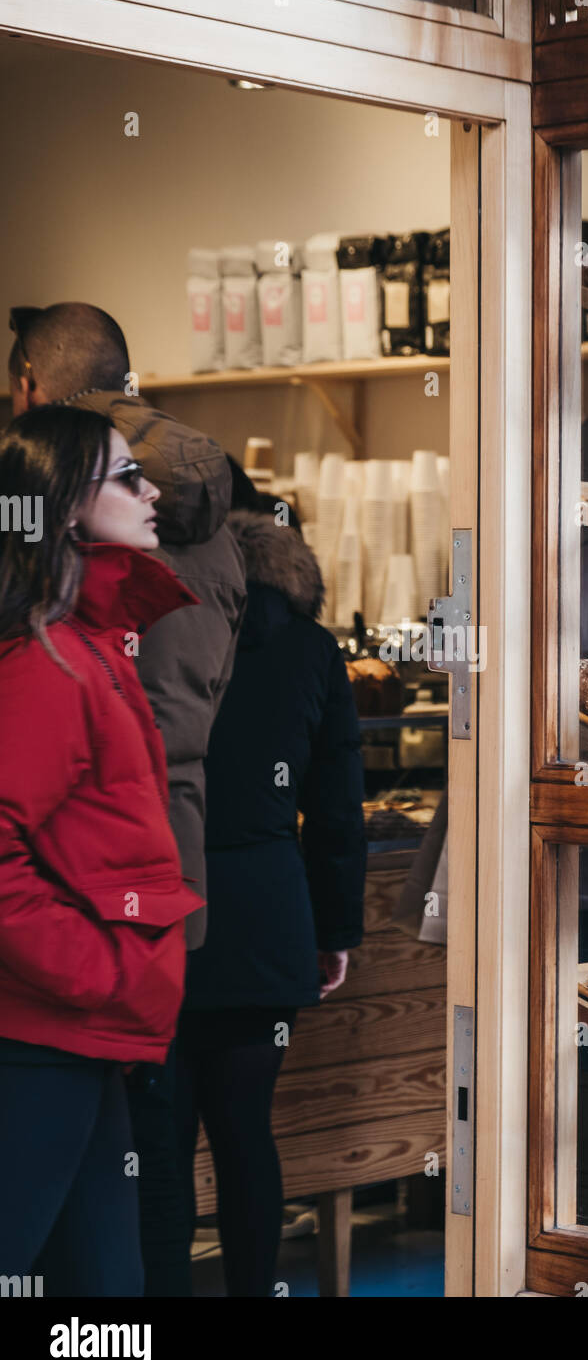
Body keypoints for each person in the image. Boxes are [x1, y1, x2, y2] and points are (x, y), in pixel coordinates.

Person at [7, 303, 247, 1296]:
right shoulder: (44, 667)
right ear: (68, 506)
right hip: (42, 1032)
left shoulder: (97, 642)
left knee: (104, 1292)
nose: (154, 492)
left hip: (88, 1029)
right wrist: (100, 965)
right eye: (127, 479)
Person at [175, 469, 366, 1296]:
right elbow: (335, 811)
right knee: (246, 1131)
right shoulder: (313, 647)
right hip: (266, 917)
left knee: (158, 1141)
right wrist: (336, 931)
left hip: (161, 909)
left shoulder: (153, 624)